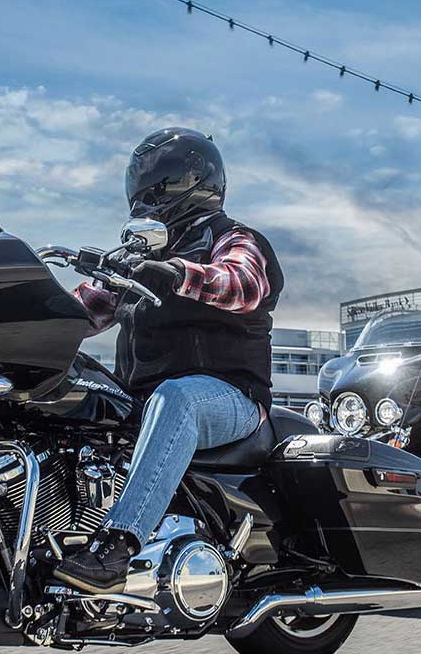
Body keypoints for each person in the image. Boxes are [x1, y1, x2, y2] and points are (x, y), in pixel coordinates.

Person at [54, 128, 284, 594]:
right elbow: (78, 313)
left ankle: (117, 546)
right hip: (145, 399)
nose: (144, 191)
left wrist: (179, 273)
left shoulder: (234, 238)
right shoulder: (138, 257)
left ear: (191, 180)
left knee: (175, 397)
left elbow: (242, 283)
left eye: (156, 180)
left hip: (228, 398)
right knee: (64, 388)